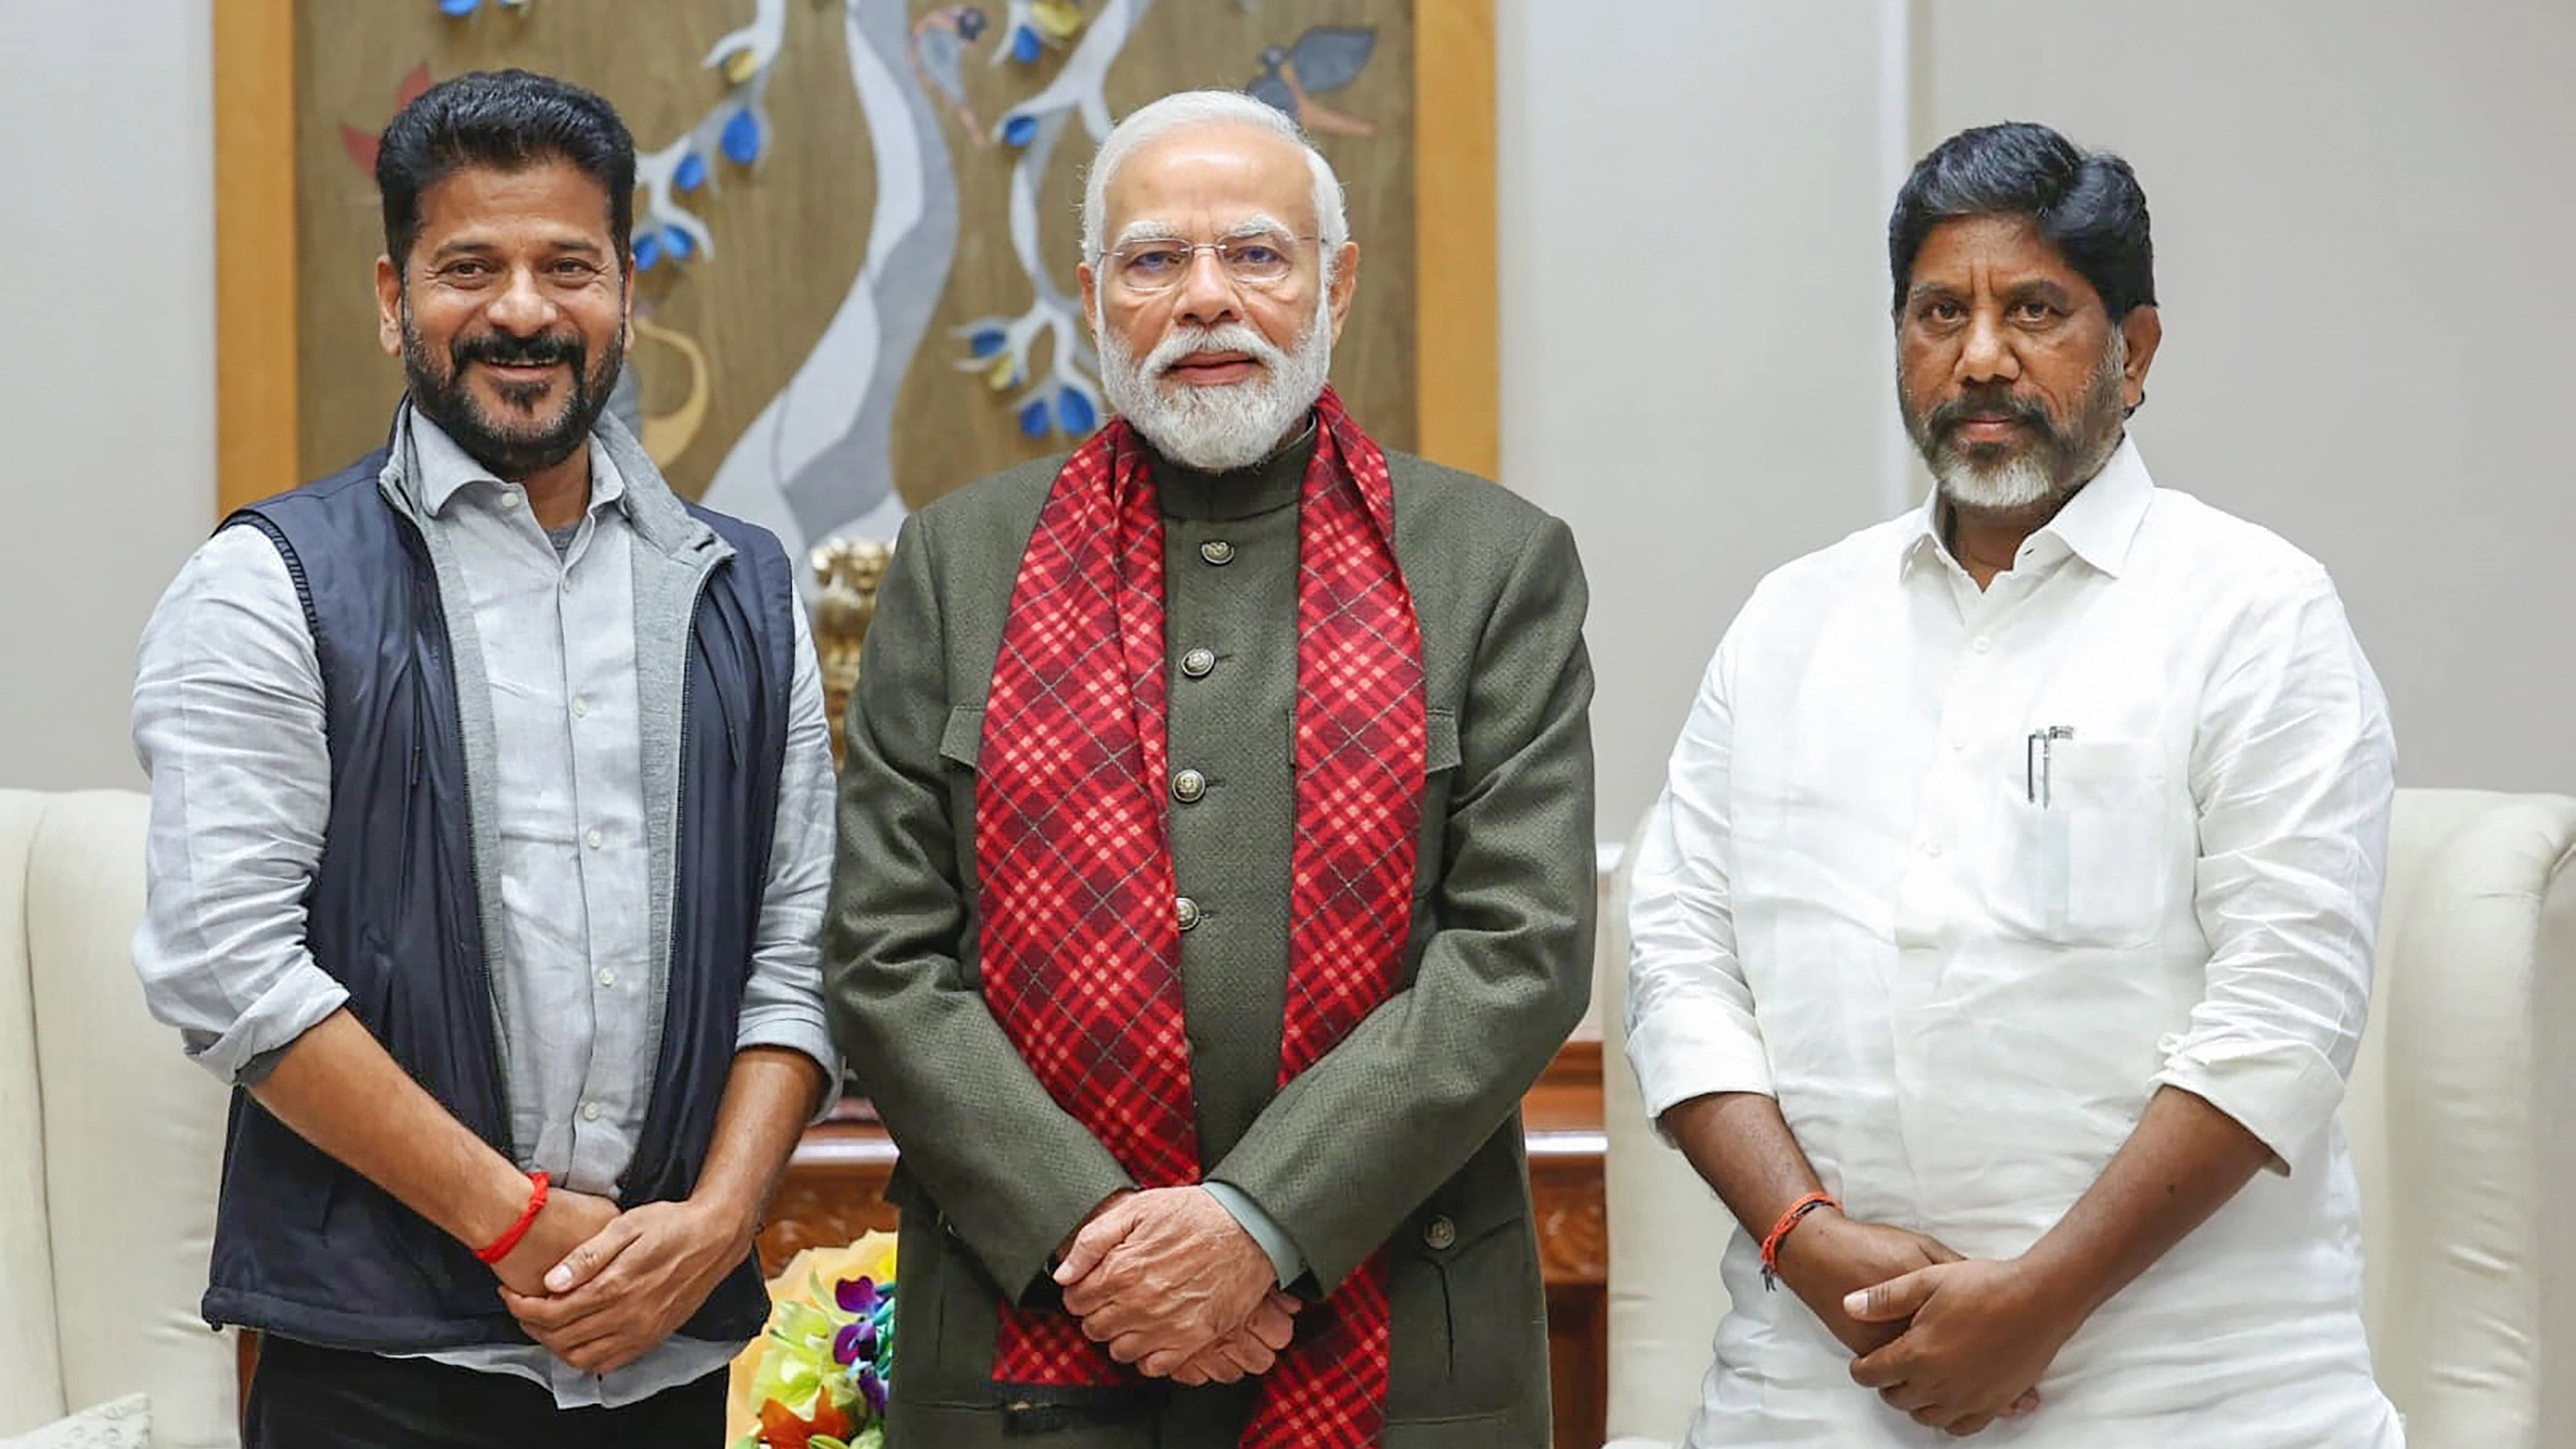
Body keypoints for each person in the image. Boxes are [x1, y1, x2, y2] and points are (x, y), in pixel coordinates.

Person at [825, 90, 1596, 1448]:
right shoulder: (957, 567)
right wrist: (1106, 1240)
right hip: (1034, 1336)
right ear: (1090, 295)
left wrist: (1259, 1224)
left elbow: (1518, 948)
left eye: (1255, 253)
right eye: (1153, 260)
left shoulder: (1490, 563)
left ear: (1334, 284)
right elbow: (887, 957)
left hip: (1400, 1332)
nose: (1205, 299)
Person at [1626, 121, 2403, 1446]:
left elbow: (2283, 1018)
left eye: (2035, 308)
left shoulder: (2256, 613)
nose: (1981, 355)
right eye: (1940, 311)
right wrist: (1811, 1246)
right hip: (1816, 1386)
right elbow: (1677, 969)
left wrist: (2039, 1303)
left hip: (2196, 1398)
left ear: (2134, 351)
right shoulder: (1790, 624)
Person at [131, 69, 837, 1447]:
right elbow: (226, 967)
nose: (523, 309)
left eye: (567, 265)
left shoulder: (744, 590)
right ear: (394, 298)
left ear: (628, 290)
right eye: (471, 266)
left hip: (671, 1363)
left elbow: (799, 947)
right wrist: (509, 1221)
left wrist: (713, 1225)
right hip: (382, 1378)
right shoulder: (267, 583)